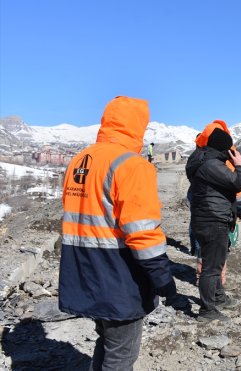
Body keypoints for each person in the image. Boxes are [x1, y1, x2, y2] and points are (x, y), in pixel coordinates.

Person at [59, 96, 183, 370]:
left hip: (81, 272)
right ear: (138, 126)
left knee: (106, 342)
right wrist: (166, 284)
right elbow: (143, 234)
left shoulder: (80, 159)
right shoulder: (132, 165)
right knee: (121, 356)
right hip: (117, 276)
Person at [186, 120, 241, 322]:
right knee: (211, 269)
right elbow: (237, 182)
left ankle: (218, 298)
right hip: (213, 221)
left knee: (215, 264)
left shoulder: (205, 161)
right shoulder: (211, 164)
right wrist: (240, 166)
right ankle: (207, 311)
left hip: (208, 219)